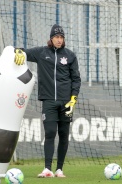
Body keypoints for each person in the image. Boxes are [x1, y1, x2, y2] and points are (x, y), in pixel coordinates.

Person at [14, 24, 81, 178]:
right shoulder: (41, 52)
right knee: (50, 133)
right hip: (49, 101)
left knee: (64, 134)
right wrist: (17, 51)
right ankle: (47, 169)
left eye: (61, 37)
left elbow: (76, 79)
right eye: (57, 37)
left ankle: (59, 169)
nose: (59, 40)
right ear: (51, 38)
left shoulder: (70, 56)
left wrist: (73, 99)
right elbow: (21, 52)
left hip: (66, 102)